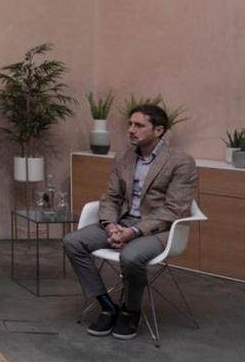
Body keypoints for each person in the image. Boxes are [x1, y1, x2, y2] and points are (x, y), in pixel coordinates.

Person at [63, 104, 197, 340]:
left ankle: (130, 311)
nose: (131, 130)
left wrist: (134, 231)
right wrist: (109, 225)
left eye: (139, 125)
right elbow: (111, 197)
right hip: (123, 222)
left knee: (131, 257)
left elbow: (174, 210)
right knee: (73, 242)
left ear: (158, 130)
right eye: (130, 125)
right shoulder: (124, 157)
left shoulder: (181, 162)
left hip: (158, 230)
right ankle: (106, 305)